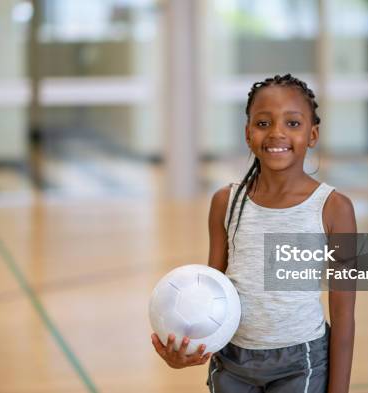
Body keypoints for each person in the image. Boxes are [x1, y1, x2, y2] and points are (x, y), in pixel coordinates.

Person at [151, 73, 356, 393]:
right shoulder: (225, 203)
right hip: (231, 362)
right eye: (263, 123)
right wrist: (184, 353)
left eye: (292, 123)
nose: (277, 133)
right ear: (248, 133)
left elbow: (343, 318)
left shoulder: (334, 209)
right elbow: (209, 296)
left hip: (301, 363)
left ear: (312, 134)